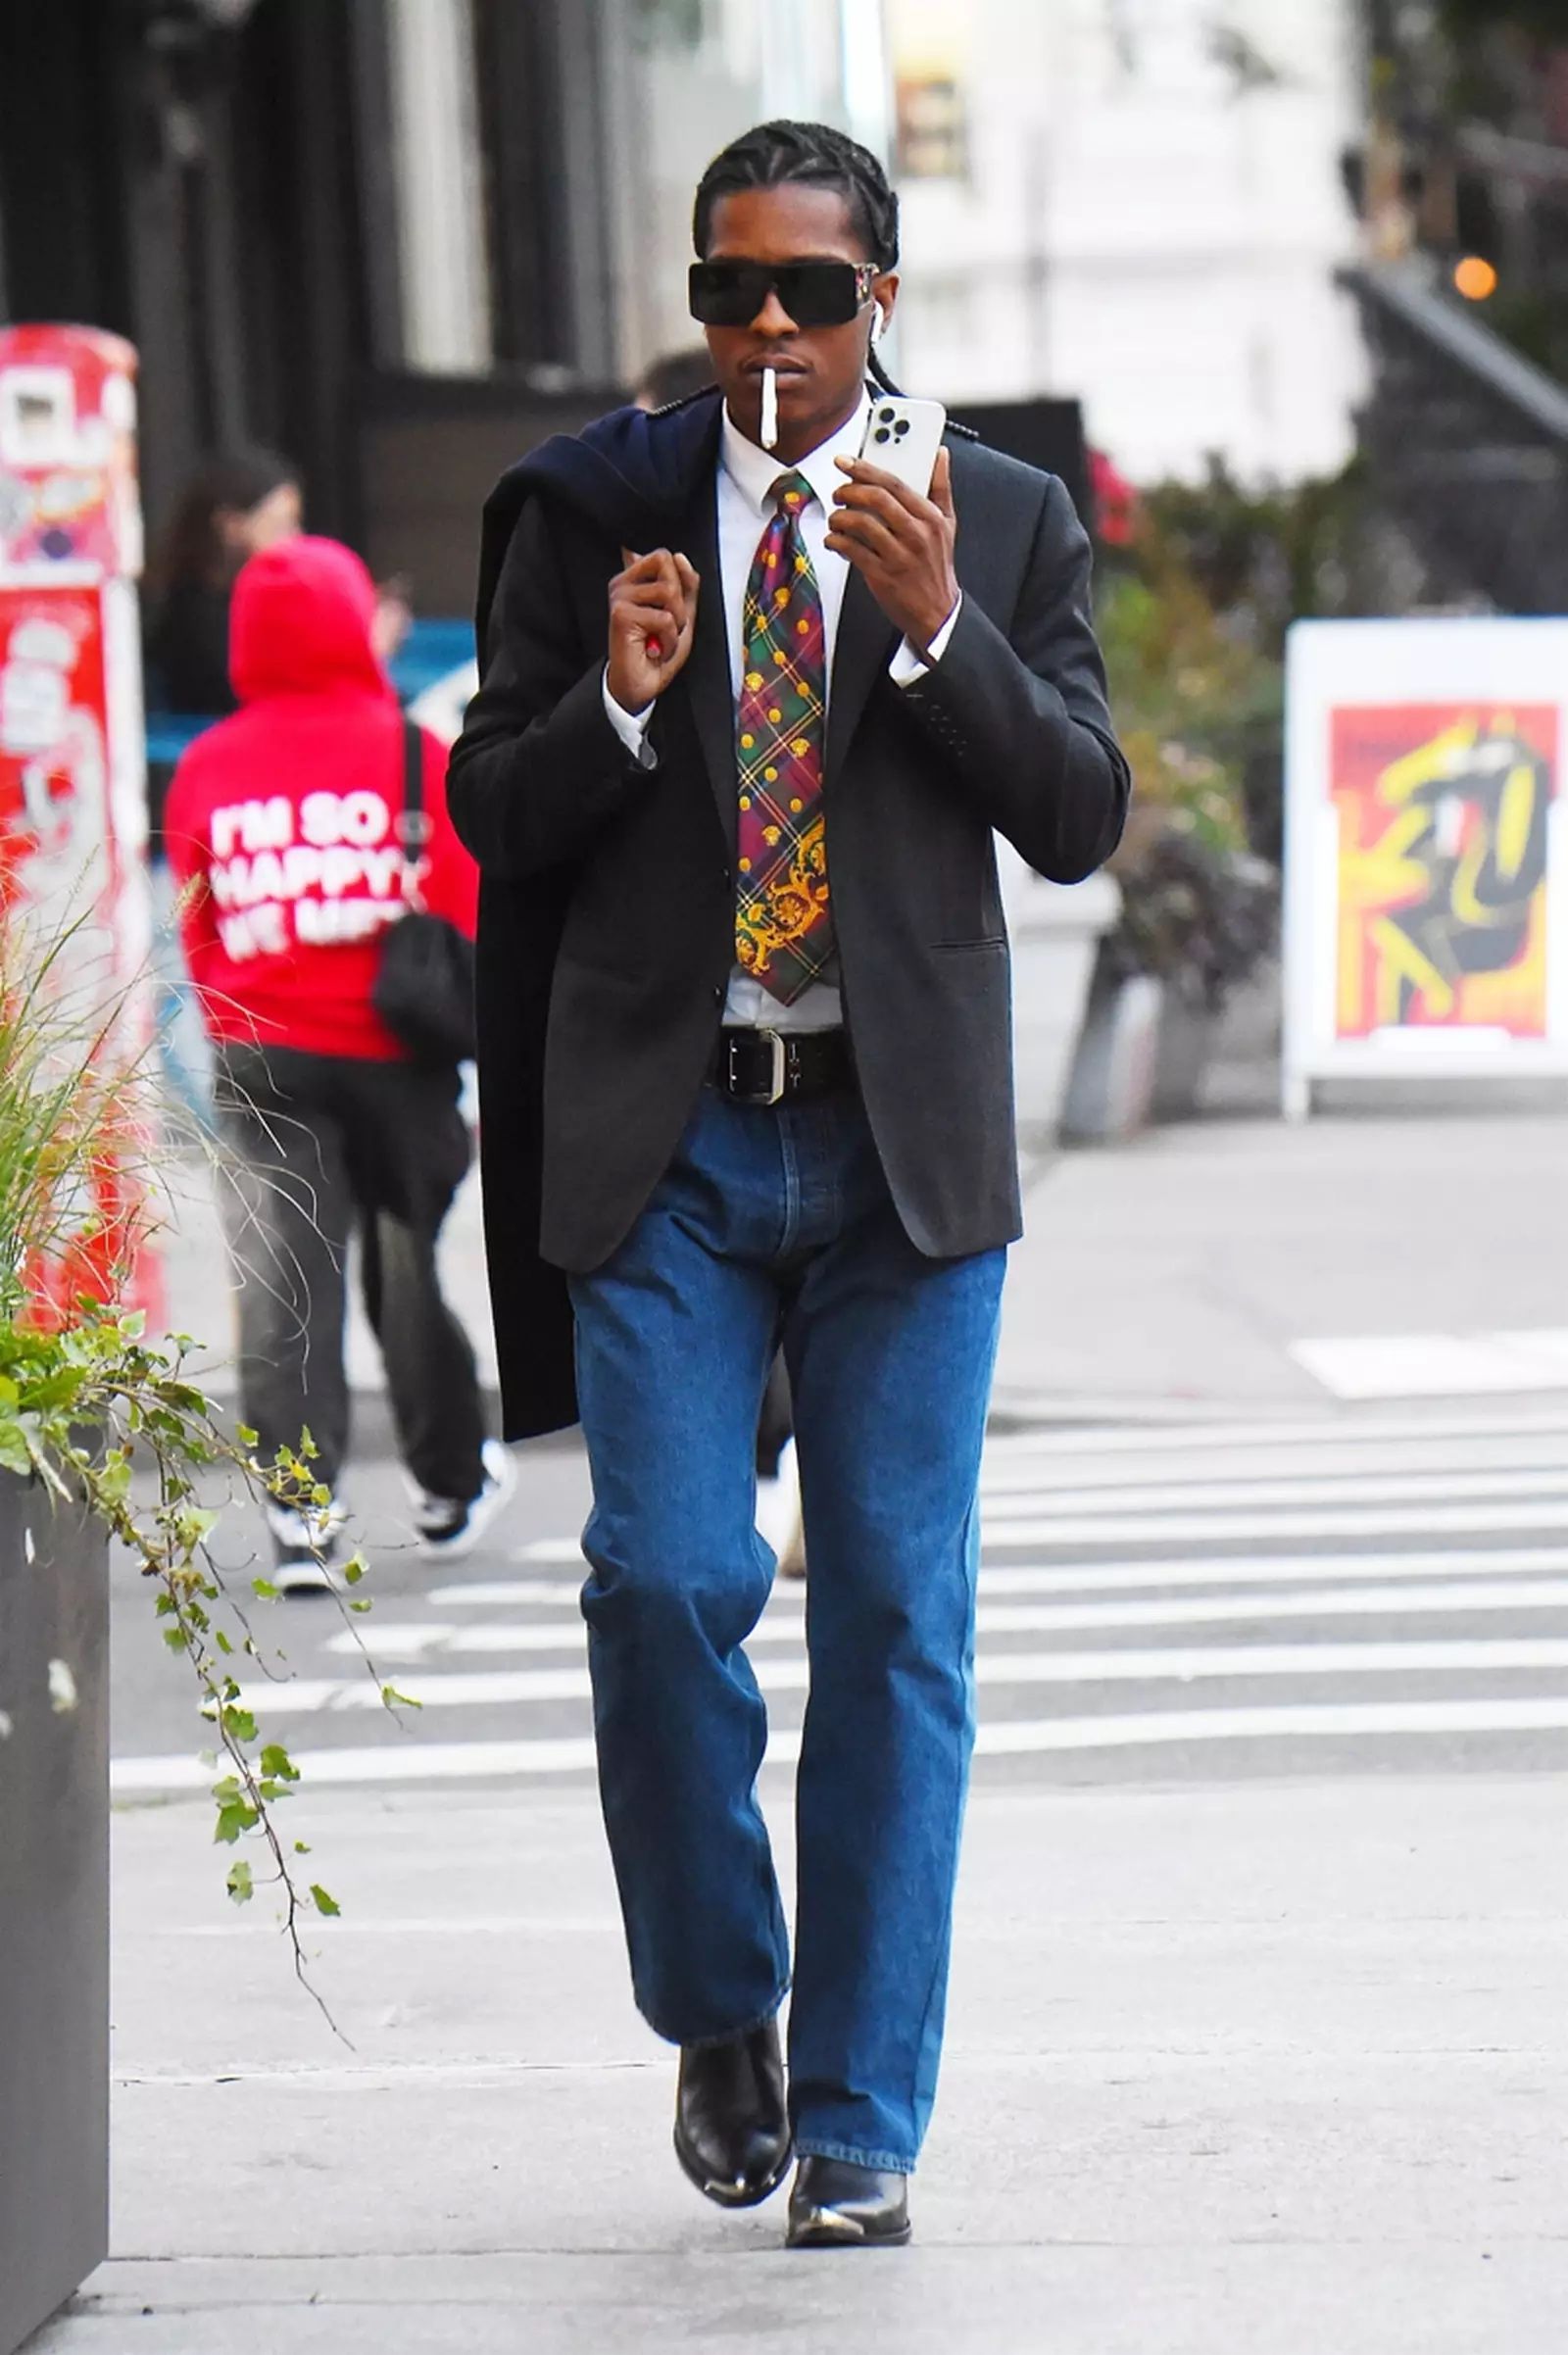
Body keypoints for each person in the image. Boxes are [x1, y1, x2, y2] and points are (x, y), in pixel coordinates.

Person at [447, 120, 1129, 2246]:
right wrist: (623, 704)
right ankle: (721, 2003)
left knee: (902, 1623)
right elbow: (493, 806)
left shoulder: (992, 520)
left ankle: (856, 2113)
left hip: (897, 1154)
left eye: (806, 294)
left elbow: (1083, 813)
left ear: (879, 301)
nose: (761, 329)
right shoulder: (590, 518)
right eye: (725, 288)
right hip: (664, 1141)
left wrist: (937, 634)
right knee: (659, 1584)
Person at [166, 535, 512, 1591]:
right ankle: (449, 1478)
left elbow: (198, 920)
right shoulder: (416, 751)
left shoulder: (208, 765)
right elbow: (465, 908)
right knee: (403, 1273)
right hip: (400, 1058)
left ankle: (300, 1514)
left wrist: (251, 1005)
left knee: (282, 1281)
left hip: (264, 1053)